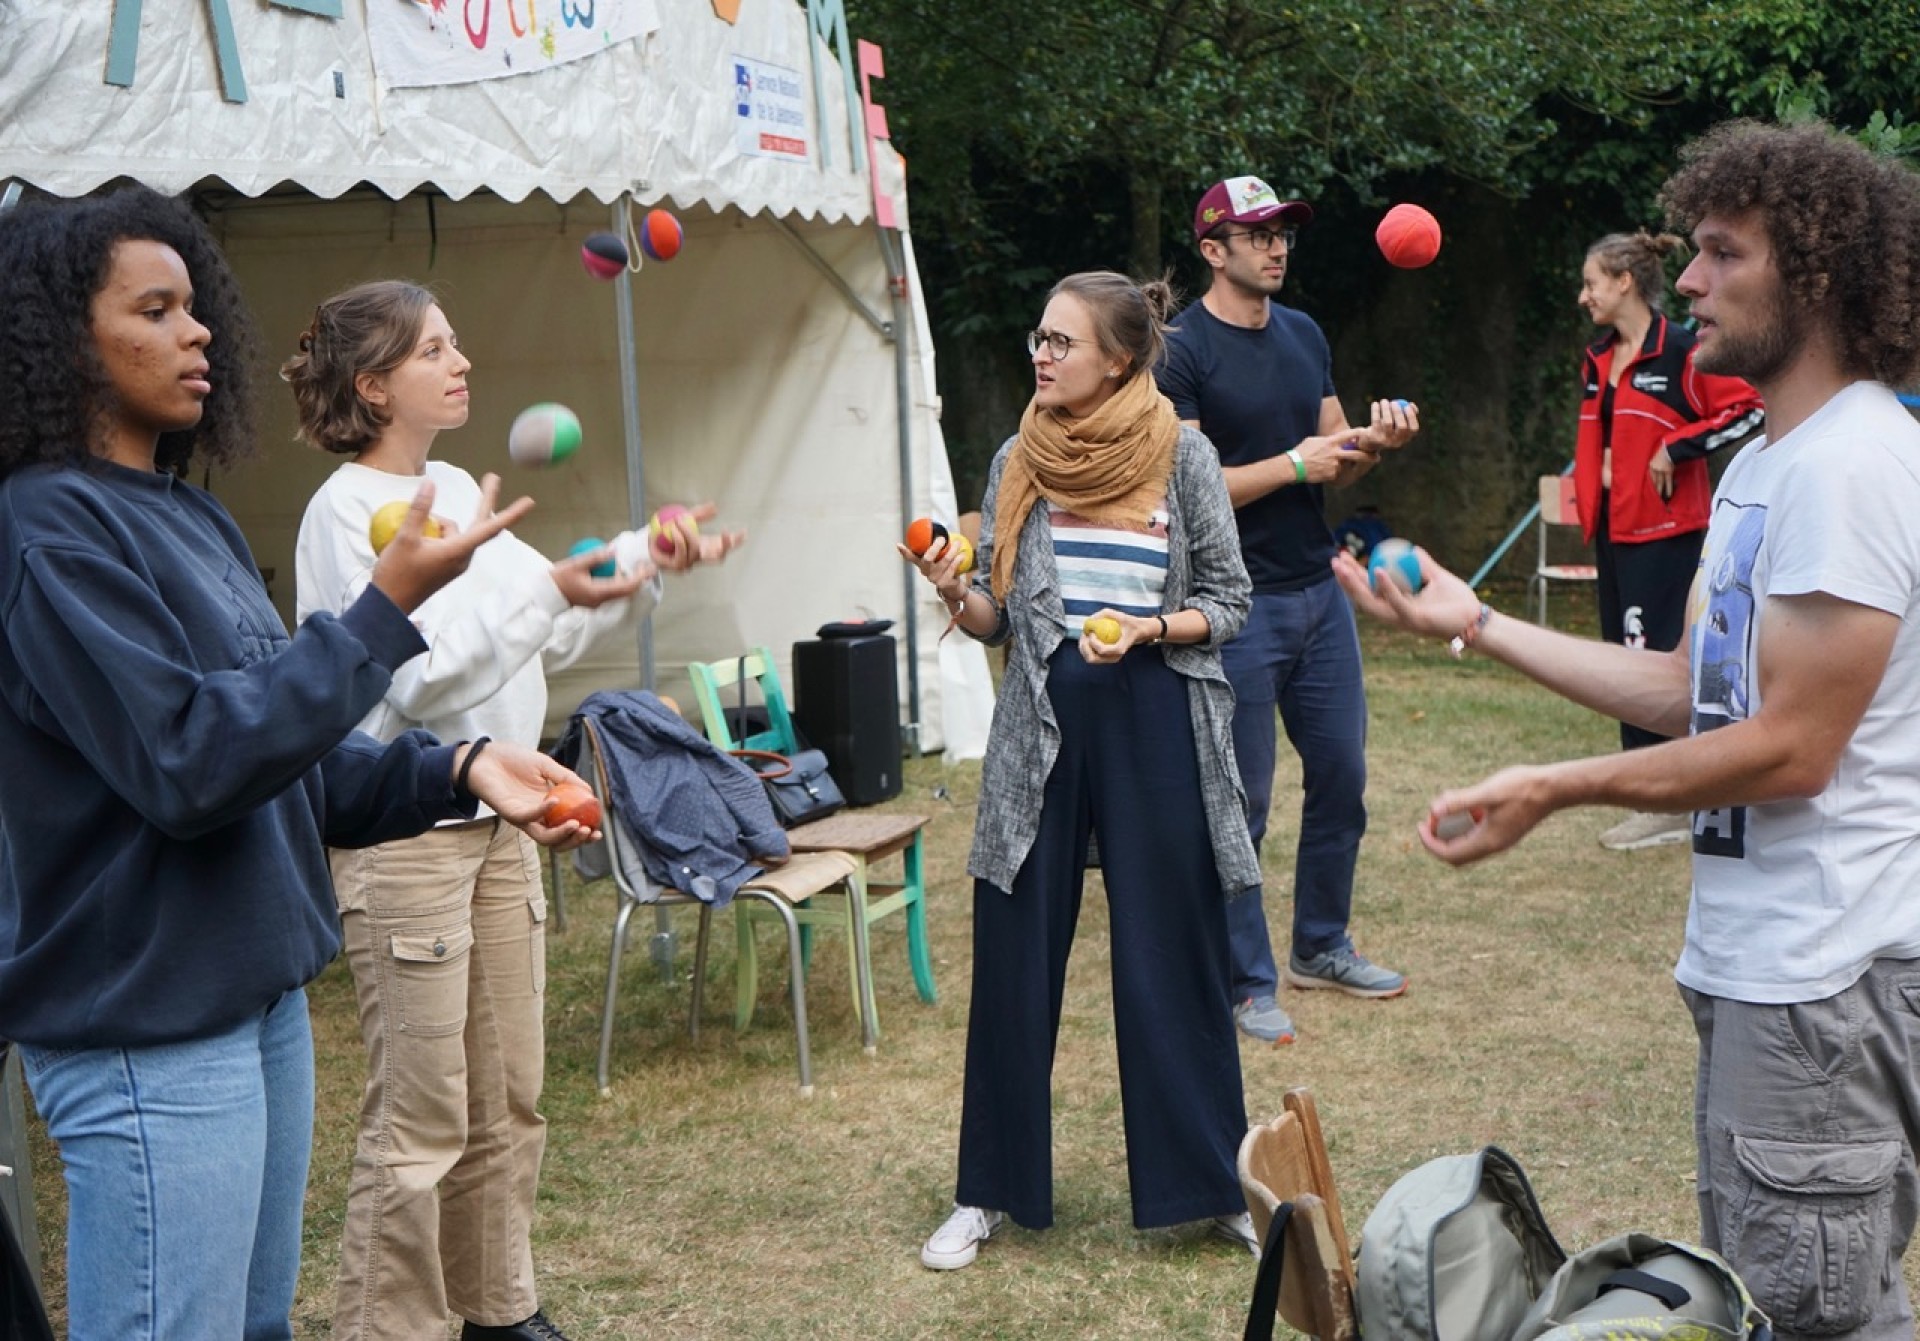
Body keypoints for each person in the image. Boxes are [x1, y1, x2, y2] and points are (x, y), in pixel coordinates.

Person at [1332, 120, 1920, 1341]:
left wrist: (1559, 786)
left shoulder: (1854, 465)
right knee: (1783, 1301)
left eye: (1721, 254)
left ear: (1816, 277)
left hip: (1825, 982)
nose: (1687, 280)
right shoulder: (1769, 461)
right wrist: (1477, 622)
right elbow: (1691, 688)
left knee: (1814, 1320)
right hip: (1764, 972)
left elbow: (1793, 747)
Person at [0, 187, 598, 1341]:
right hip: (149, 1028)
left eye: (195, 307)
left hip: (256, 997)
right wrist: (382, 612)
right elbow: (188, 762)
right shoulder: (45, 528)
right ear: (61, 337)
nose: (199, 332)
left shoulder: (194, 520)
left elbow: (285, 757)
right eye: (155, 311)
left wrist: (458, 768)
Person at [287, 280, 740, 1341]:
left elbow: (549, 617)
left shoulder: (453, 482)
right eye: (434, 350)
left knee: (508, 1097)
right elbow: (415, 681)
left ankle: (498, 1309)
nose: (462, 363)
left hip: (505, 824)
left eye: (456, 342)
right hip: (406, 835)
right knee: (420, 1119)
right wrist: (551, 595)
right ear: (372, 384)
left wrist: (645, 555)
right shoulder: (343, 514)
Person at [902, 271, 1258, 1270]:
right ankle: (987, 1191)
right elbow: (996, 617)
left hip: (1159, 719)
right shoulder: (1020, 456)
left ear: (1121, 358)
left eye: (1063, 342)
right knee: (1013, 955)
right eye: (1040, 337)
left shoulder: (1183, 454)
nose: (1043, 356)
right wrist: (953, 589)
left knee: (1174, 956)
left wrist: (1151, 629)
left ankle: (1212, 1185)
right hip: (1041, 725)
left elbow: (1229, 600)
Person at [1155, 176, 1420, 1046]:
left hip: (1317, 591)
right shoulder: (1178, 351)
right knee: (1245, 801)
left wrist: (1375, 446)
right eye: (1258, 234)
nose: (1276, 248)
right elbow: (1188, 489)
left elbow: (1336, 453)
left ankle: (1321, 945)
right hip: (1232, 603)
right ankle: (1243, 982)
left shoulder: (1304, 332)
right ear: (1212, 249)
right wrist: (1295, 464)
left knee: (1342, 776)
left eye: (1283, 234)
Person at [1573, 230, 1762, 851]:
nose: (1583, 297)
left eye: (1591, 284)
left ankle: (1669, 799)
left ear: (1624, 282)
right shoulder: (1598, 357)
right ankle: (1651, 792)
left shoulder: (1682, 350)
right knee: (1622, 660)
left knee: (1653, 663)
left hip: (1667, 534)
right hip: (1613, 531)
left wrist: (1675, 447)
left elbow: (1748, 409)